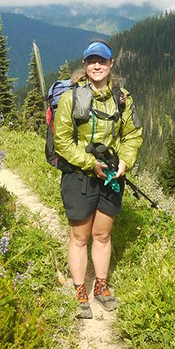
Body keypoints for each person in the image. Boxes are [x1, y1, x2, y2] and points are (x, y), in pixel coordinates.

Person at [52, 40, 143, 319]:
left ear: (111, 64)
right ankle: (80, 290)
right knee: (80, 237)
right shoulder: (72, 98)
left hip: (112, 175)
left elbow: (132, 135)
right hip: (80, 176)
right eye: (92, 61)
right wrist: (91, 163)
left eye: (102, 61)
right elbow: (62, 142)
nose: (96, 66)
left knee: (102, 235)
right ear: (85, 64)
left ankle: (101, 287)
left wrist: (125, 161)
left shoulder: (122, 98)